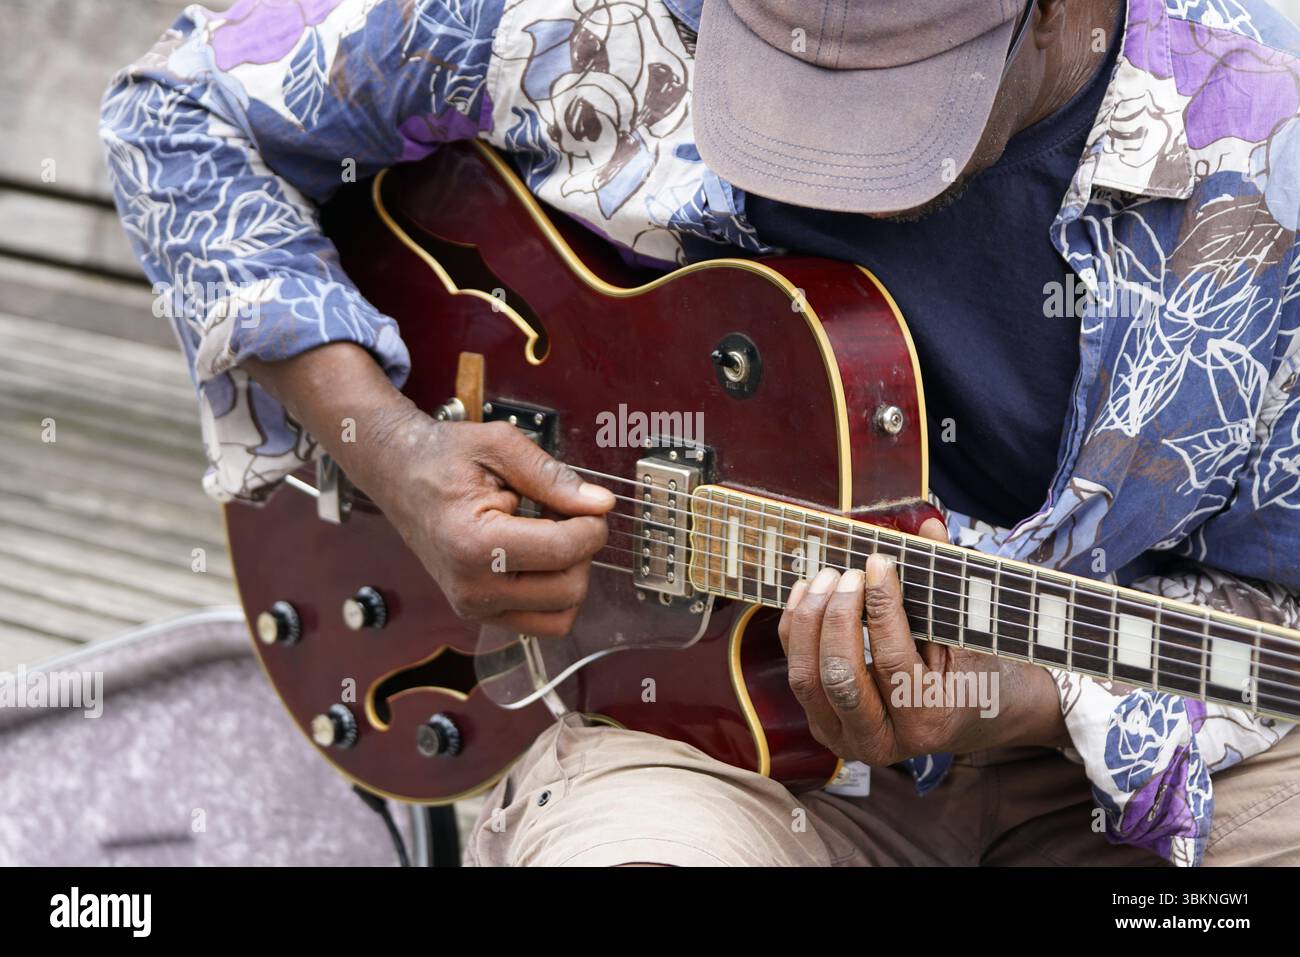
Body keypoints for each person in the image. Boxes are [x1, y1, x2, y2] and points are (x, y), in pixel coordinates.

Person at [100, 0, 1300, 866]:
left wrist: (1022, 698)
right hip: (691, 741)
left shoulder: (1268, 162)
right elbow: (178, 113)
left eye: (892, 87)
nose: (825, 142)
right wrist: (391, 453)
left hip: (1139, 753)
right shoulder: (583, 14)